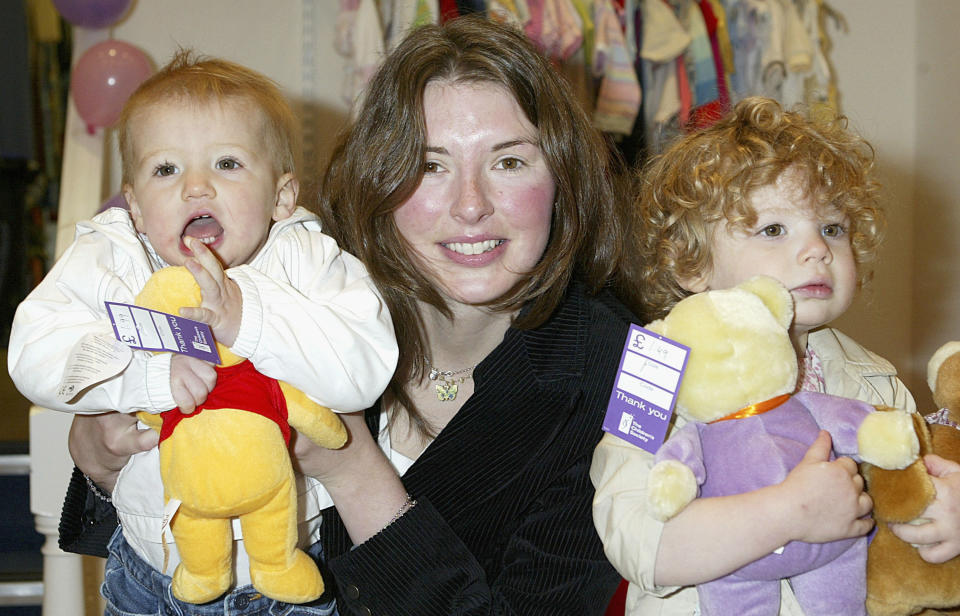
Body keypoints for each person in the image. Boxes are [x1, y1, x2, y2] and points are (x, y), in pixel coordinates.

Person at [59, 15, 647, 615]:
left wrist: (356, 474)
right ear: (381, 179)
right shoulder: (313, 289)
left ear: (563, 176)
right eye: (430, 164)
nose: (472, 205)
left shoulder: (623, 374)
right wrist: (101, 454)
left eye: (509, 162)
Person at [9, 51, 398, 614]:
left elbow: (364, 365)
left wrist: (246, 317)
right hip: (151, 573)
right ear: (136, 206)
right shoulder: (111, 259)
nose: (195, 187)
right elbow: (33, 349)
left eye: (227, 164)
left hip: (288, 571)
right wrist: (146, 373)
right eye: (166, 170)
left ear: (282, 196)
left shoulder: (306, 259)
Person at [590, 96, 948, 615]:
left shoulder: (876, 379)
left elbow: (911, 502)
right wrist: (786, 514)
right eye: (774, 229)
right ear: (693, 264)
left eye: (832, 228)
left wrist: (946, 519)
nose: (817, 250)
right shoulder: (655, 364)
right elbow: (631, 536)